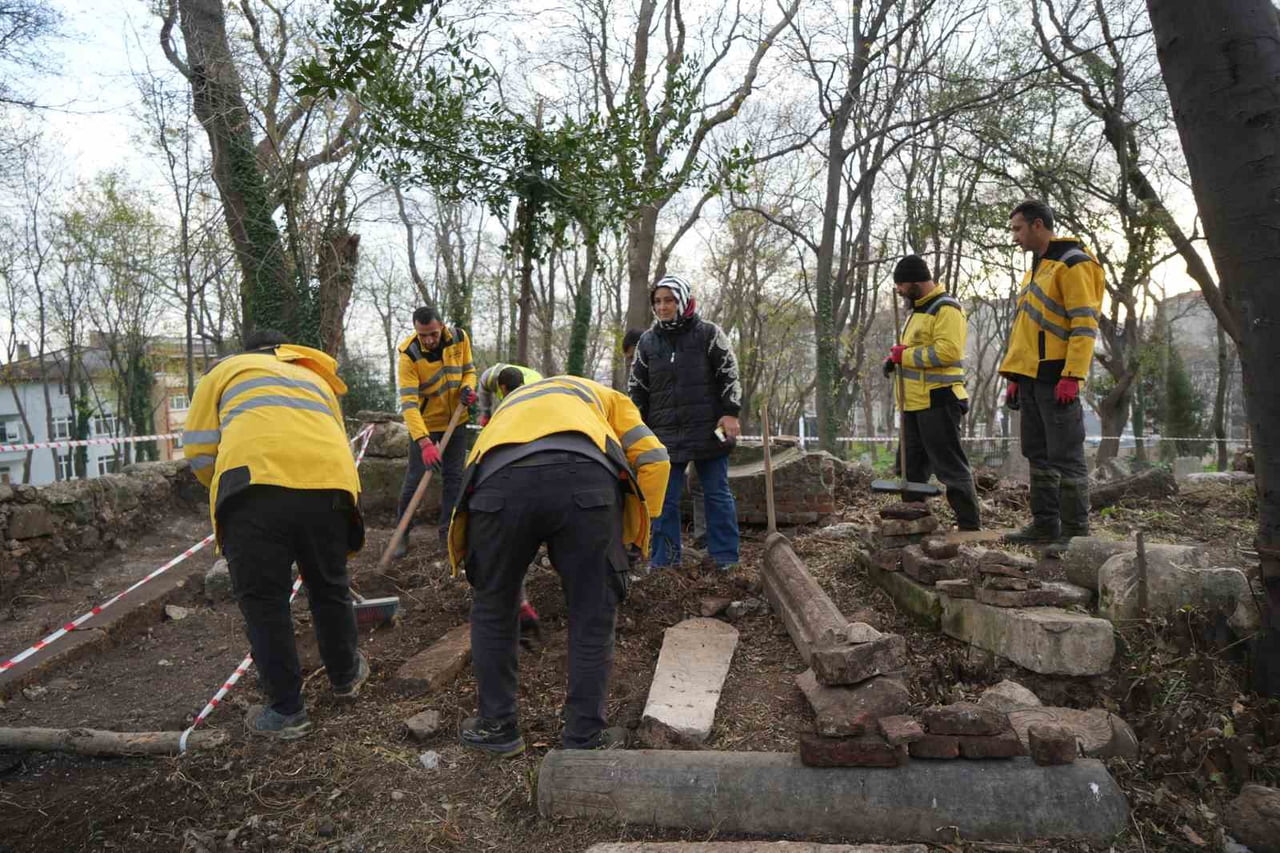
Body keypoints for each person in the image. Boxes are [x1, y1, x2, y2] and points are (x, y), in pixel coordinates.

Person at [446, 375, 670, 755]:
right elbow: (654, 459)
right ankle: (584, 737)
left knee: (492, 607)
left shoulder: (508, 409)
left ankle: (496, 727)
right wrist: (631, 538)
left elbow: (478, 483)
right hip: (586, 482)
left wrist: (502, 585)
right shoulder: (604, 396)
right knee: (592, 610)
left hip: (498, 482)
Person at [183, 329, 369, 740]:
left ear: (248, 352)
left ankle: (287, 711)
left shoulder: (226, 370)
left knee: (266, 603)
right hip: (330, 487)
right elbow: (336, 438)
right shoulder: (316, 378)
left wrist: (223, 485)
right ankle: (346, 676)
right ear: (286, 350)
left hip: (254, 489)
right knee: (330, 587)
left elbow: (197, 449)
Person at [999, 199, 1105, 549]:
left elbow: (1084, 324)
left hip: (1057, 377)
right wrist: (1015, 376)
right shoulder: (1038, 269)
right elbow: (1026, 331)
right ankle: (1045, 525)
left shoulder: (1074, 264)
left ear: (1038, 225)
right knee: (1037, 453)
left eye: (1017, 228)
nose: (1014, 236)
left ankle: (1076, 535)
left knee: (1066, 456)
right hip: (1031, 378)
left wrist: (1072, 375)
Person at [629, 275, 742, 571]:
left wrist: (730, 412)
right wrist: (635, 427)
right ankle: (665, 562)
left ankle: (725, 559)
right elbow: (637, 388)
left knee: (717, 493)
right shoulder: (647, 342)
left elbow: (729, 374)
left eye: (669, 300)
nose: (663, 306)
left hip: (710, 427)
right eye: (658, 301)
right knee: (663, 499)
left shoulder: (708, 334)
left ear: (683, 300)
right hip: (663, 432)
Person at [883, 255, 981, 531]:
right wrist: (894, 360)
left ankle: (969, 526)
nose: (899, 291)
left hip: (939, 399)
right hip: (914, 402)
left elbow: (948, 351)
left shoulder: (945, 308)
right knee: (910, 466)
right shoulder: (918, 310)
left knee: (949, 466)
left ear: (915, 282)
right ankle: (914, 521)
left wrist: (907, 356)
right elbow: (912, 349)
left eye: (901, 285)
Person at [394, 306, 478, 558]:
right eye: (423, 335)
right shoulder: (409, 354)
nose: (429, 340)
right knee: (414, 480)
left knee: (454, 478)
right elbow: (408, 404)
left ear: (441, 326)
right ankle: (402, 534)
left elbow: (469, 371)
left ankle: (447, 534)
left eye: (432, 333)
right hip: (426, 425)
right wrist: (423, 442)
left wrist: (467, 388)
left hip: (456, 419)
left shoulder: (460, 338)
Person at [476, 361, 544, 643]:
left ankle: (515, 602)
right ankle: (522, 602)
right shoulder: (492, 377)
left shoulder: (531, 395)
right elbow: (481, 387)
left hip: (511, 477)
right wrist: (484, 413)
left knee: (507, 541)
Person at [623, 327, 706, 551]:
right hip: (658, 439)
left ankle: (702, 540)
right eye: (629, 359)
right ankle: (659, 547)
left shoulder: (666, 364)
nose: (632, 363)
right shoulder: (636, 376)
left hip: (689, 433)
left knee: (699, 486)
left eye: (633, 357)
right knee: (666, 494)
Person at [477, 362, 542, 426]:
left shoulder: (534, 388)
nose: (509, 398)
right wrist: (486, 414)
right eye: (508, 394)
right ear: (502, 387)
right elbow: (483, 392)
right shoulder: (489, 377)